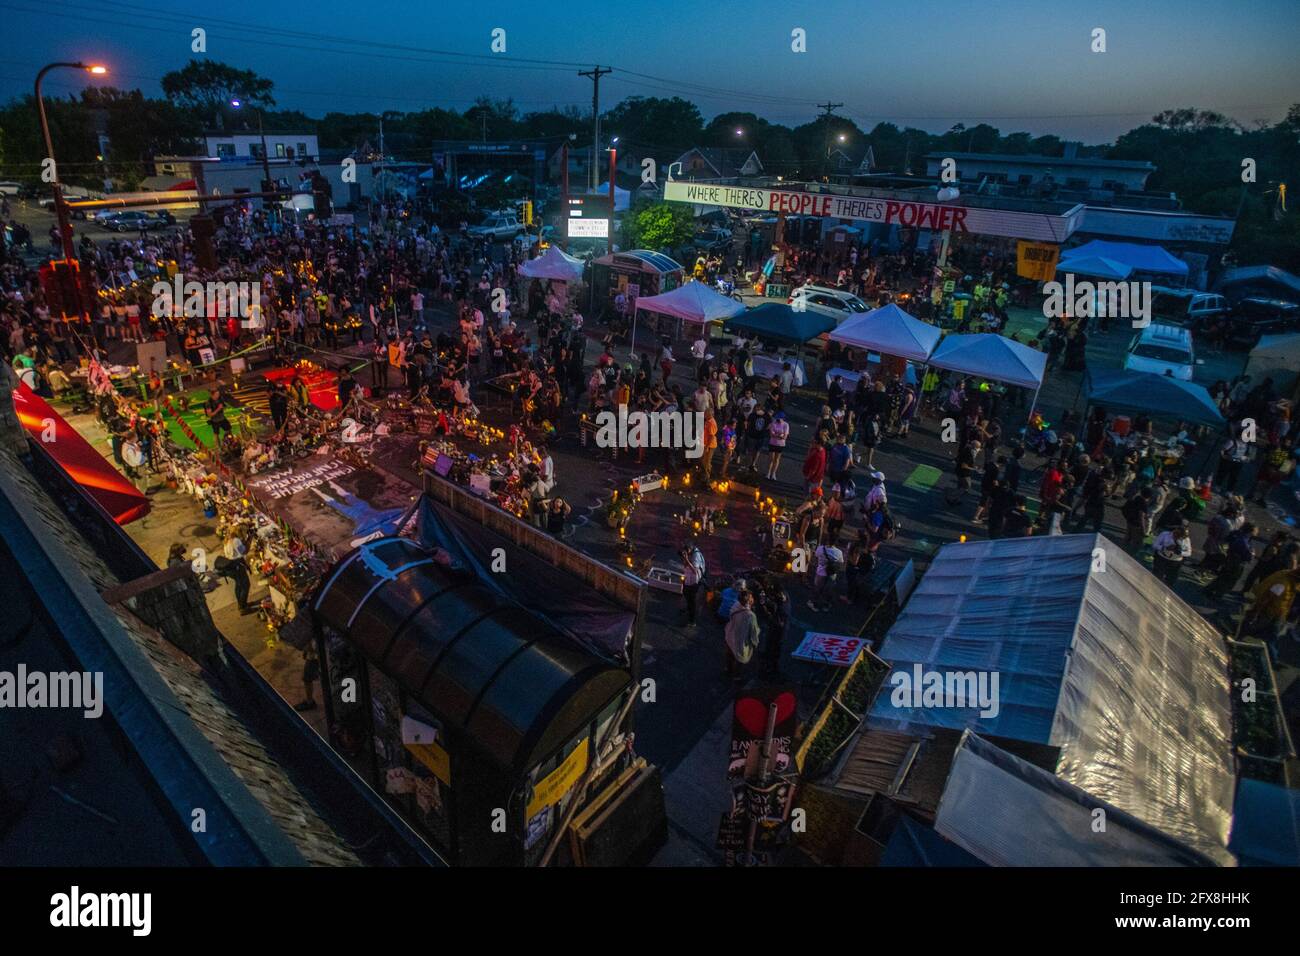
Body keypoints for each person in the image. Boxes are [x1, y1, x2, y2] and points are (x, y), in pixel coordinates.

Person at [723, 589, 761, 678]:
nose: (753, 599)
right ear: (748, 601)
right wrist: (755, 643)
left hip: (730, 634)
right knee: (739, 660)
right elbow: (754, 632)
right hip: (741, 639)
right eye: (751, 598)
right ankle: (737, 677)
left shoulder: (736, 606)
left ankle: (728, 670)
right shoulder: (750, 616)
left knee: (730, 654)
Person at [808, 536, 845, 612]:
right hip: (832, 574)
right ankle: (826, 605)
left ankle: (814, 604)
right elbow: (841, 563)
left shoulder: (821, 548)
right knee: (828, 590)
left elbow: (816, 557)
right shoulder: (839, 552)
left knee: (817, 589)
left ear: (827, 540)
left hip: (820, 573)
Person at [1151, 523, 1192, 587]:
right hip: (1162, 559)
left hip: (1175, 562)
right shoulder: (1165, 534)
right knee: (1156, 576)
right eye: (1179, 535)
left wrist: (1180, 552)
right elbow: (1155, 545)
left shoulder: (1186, 539)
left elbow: (1189, 553)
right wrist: (1164, 548)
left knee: (1170, 580)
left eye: (1183, 536)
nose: (1181, 537)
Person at [681, 543, 706, 628]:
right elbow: (685, 565)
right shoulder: (690, 554)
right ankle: (688, 609)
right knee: (685, 592)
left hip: (694, 581)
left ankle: (692, 621)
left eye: (687, 551)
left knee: (692, 600)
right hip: (688, 578)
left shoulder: (696, 555)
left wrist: (687, 559)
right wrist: (685, 559)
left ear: (690, 549)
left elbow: (694, 570)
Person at [766, 411, 790, 480]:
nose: (778, 419)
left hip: (780, 445)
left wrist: (776, 435)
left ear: (782, 418)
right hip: (772, 443)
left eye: (779, 418)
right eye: (777, 418)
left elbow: (785, 437)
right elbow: (771, 434)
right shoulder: (773, 423)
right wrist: (779, 435)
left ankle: (773, 473)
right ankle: (768, 473)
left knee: (776, 459)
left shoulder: (786, 425)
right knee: (771, 459)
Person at [296, 644, 320, 713]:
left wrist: (306, 649)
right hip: (313, 656)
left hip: (313, 658)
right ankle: (309, 701)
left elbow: (312, 646)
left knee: (307, 679)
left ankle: (310, 702)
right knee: (307, 679)